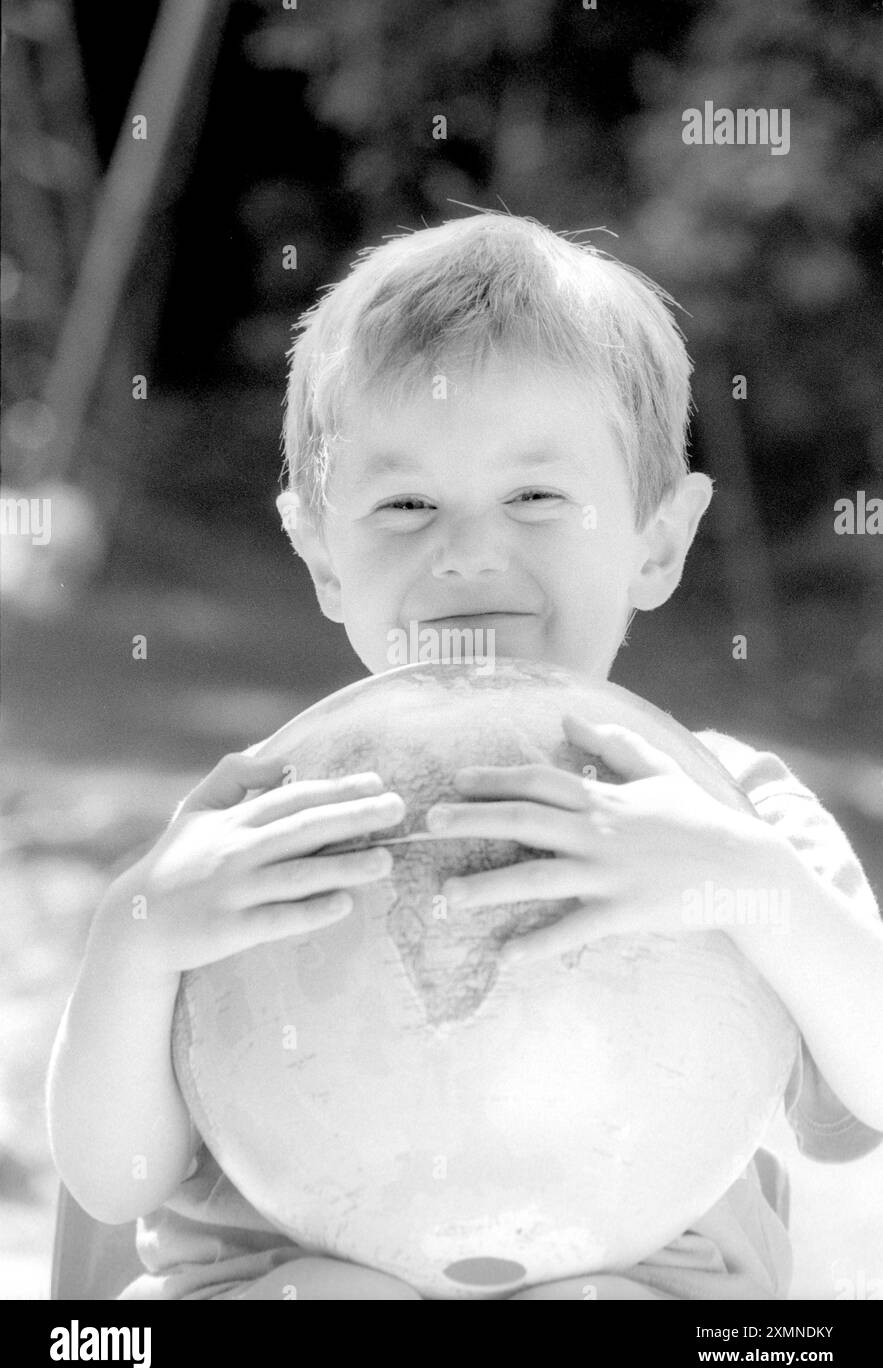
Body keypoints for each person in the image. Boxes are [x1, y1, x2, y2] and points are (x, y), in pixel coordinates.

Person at [46, 212, 883, 1300]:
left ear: (661, 540)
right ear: (320, 554)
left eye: (535, 495)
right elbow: (114, 1186)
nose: (467, 551)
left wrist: (745, 883)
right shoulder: (256, 822)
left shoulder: (726, 806)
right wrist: (139, 934)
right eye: (405, 504)